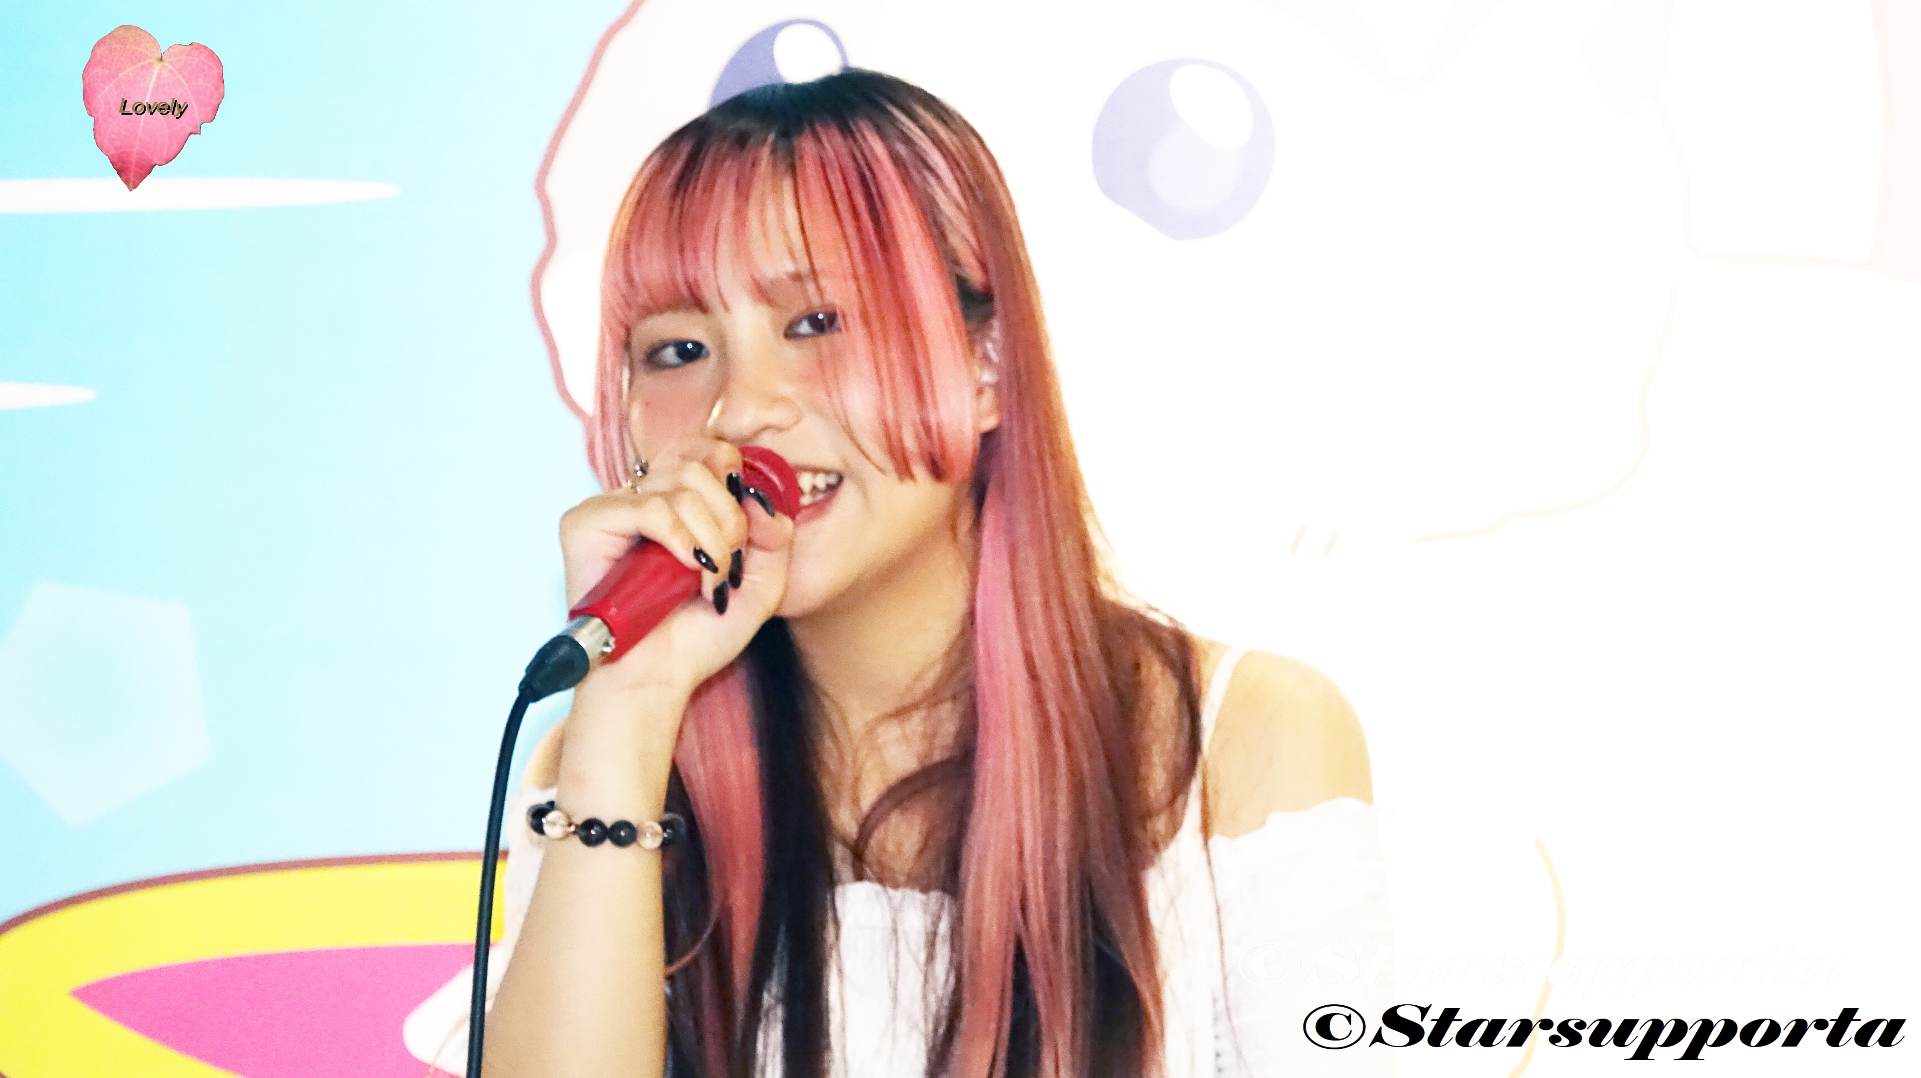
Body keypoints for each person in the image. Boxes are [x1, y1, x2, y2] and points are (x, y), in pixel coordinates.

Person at [410, 67, 1391, 1078]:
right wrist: (627, 708)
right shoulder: (604, 762)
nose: (740, 409)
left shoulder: (1244, 739)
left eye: (815, 324)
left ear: (987, 365)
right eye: (680, 348)